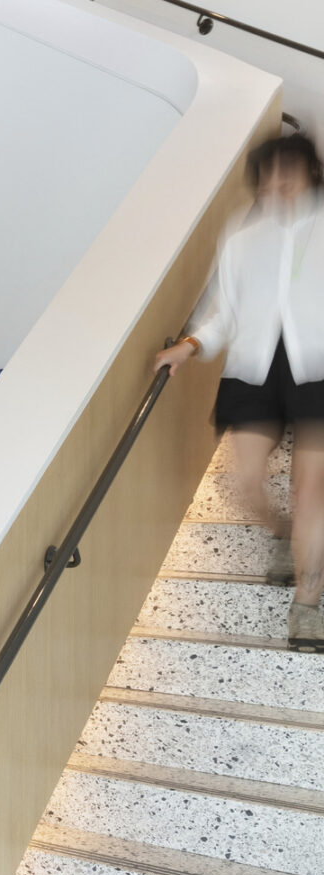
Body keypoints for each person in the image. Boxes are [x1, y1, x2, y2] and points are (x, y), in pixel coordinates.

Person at [157, 130, 324, 650]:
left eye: (288, 170)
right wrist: (189, 345)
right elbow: (224, 312)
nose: (279, 182)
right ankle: (281, 532)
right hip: (254, 366)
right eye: (270, 173)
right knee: (246, 483)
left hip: (318, 367)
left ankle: (307, 606)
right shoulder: (243, 234)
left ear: (309, 172)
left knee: (311, 489)